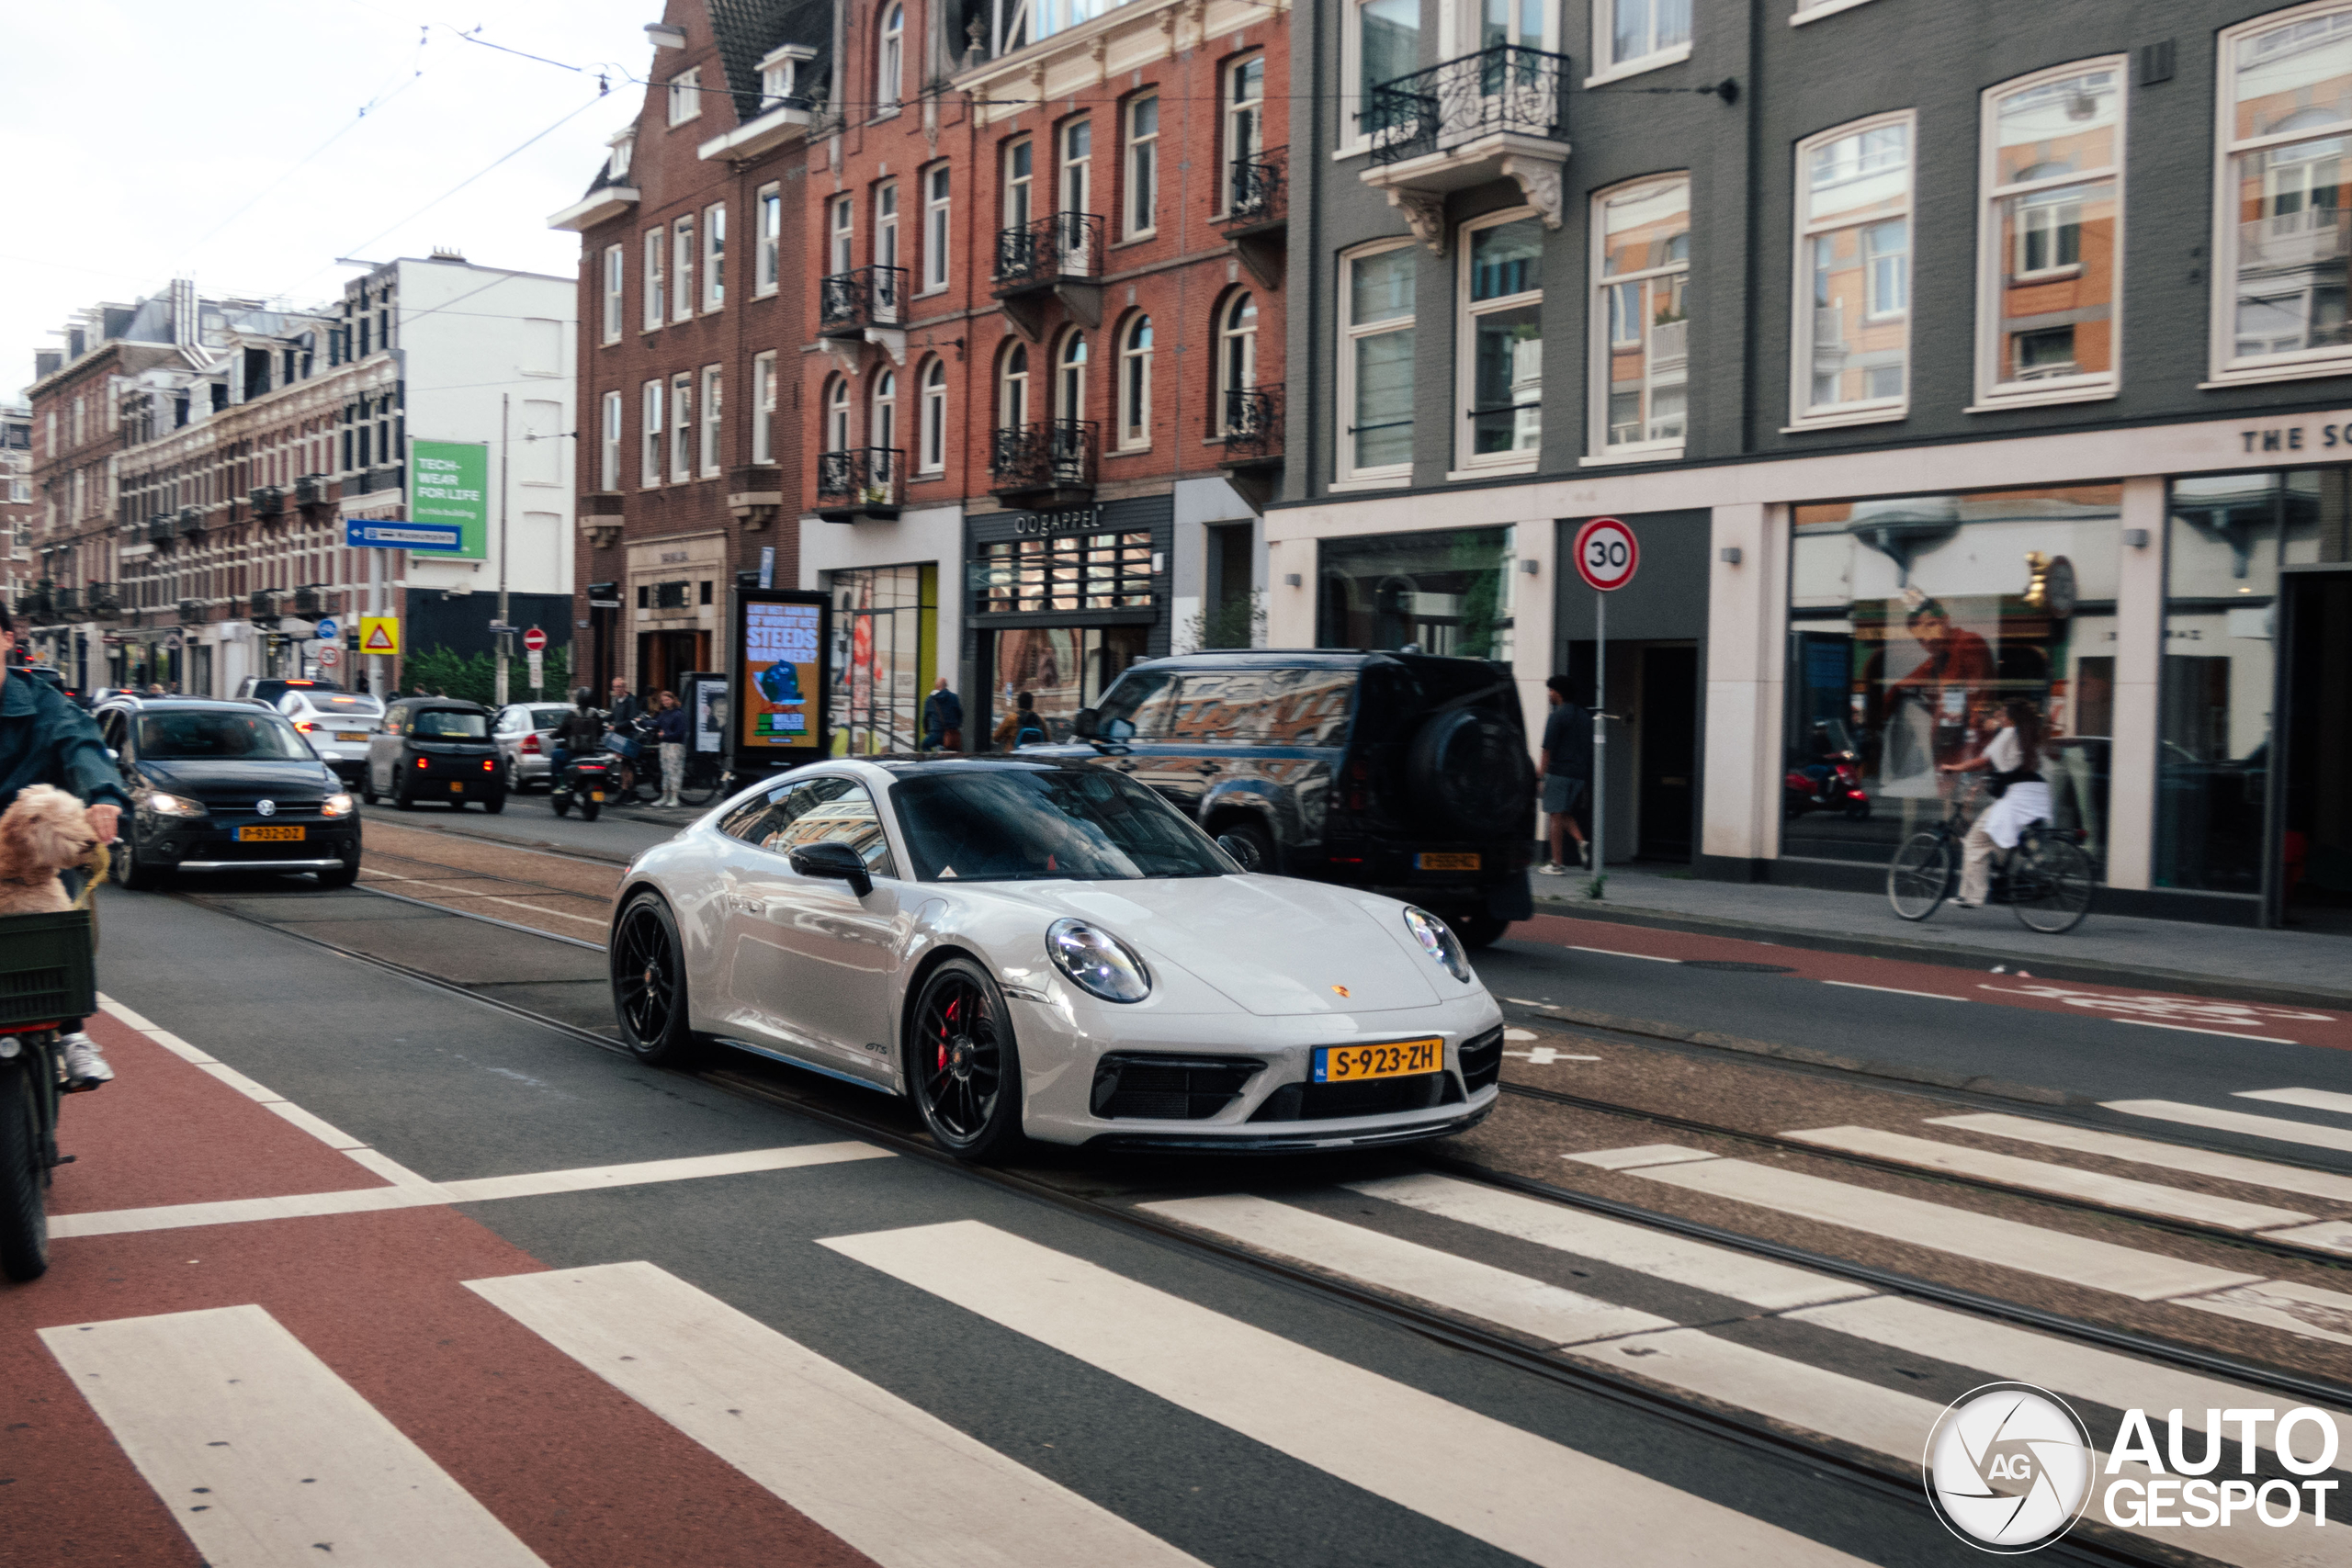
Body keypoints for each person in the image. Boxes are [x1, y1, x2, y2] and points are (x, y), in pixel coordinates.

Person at [0, 605, 127, 1089]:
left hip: (33, 851)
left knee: (60, 920)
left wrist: (103, 798)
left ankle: (72, 1033)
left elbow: (82, 745)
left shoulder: (42, 701)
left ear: (9, 638)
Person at [1939, 699, 2052, 908]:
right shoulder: (2030, 735)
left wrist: (1953, 768)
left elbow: (1982, 762)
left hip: (2017, 798)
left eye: (2001, 715)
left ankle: (1972, 896)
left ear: (2009, 718)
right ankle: (2016, 870)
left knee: (1975, 841)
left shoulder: (2008, 734)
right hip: (2037, 793)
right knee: (2000, 836)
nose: (1998, 718)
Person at [1535, 674, 1592, 874]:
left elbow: (1547, 749)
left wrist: (1540, 776)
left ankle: (1557, 863)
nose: (1549, 694)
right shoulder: (1585, 717)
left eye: (1550, 691)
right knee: (1563, 811)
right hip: (1578, 775)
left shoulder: (1556, 717)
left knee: (1554, 816)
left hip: (1558, 772)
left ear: (1557, 693)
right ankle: (1581, 841)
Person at [551, 688, 605, 779]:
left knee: (555, 755)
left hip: (573, 753)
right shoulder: (594, 715)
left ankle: (560, 784)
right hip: (591, 752)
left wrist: (552, 735)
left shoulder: (572, 714)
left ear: (578, 699)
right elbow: (601, 732)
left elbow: (561, 731)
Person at [650, 690, 689, 807]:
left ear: (673, 699)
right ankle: (664, 797)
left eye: (667, 699)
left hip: (675, 746)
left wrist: (665, 735)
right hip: (665, 745)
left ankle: (674, 798)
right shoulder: (664, 713)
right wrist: (640, 722)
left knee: (674, 771)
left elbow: (679, 732)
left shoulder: (679, 714)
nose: (665, 702)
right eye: (663, 700)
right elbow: (656, 723)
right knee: (665, 771)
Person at [922, 676, 963, 753]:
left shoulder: (930, 699)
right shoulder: (954, 697)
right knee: (954, 752)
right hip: (951, 734)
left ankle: (932, 761)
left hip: (936, 733)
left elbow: (925, 718)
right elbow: (959, 714)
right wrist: (956, 726)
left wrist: (926, 730)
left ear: (937, 686)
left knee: (925, 745)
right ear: (946, 685)